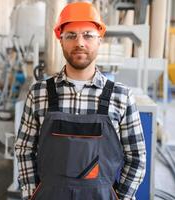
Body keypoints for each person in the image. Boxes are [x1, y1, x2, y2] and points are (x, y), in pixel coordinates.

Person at [15, 2, 146, 200]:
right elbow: (24, 149)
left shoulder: (121, 97)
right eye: (71, 36)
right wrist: (31, 194)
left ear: (99, 40)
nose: (80, 43)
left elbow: (136, 157)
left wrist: (122, 197)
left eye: (88, 35)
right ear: (60, 41)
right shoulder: (39, 93)